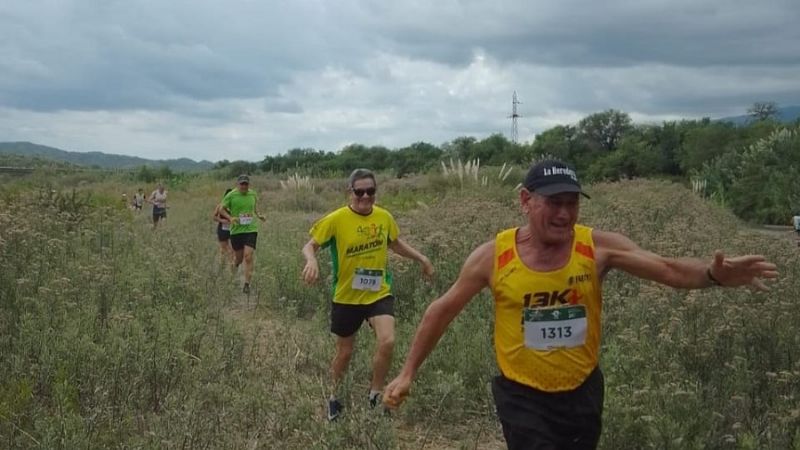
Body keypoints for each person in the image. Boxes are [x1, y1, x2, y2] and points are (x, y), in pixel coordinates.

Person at [383, 160, 778, 449]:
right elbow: (442, 309)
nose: (564, 213)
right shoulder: (494, 256)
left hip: (582, 390)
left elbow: (669, 270)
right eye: (553, 203)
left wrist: (712, 275)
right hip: (521, 393)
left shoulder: (597, 247)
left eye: (572, 203)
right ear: (525, 200)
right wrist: (407, 373)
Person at [301, 168, 434, 421]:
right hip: (347, 297)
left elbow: (394, 243)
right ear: (349, 192)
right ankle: (335, 397)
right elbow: (310, 245)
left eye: (370, 191)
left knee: (388, 341)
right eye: (359, 191)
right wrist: (312, 261)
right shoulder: (337, 219)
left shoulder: (384, 217)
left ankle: (375, 394)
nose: (365, 196)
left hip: (378, 293)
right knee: (345, 352)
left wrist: (422, 258)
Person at [217, 175, 265, 294]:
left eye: (246, 184)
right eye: (242, 184)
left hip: (251, 229)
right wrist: (230, 217)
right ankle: (233, 268)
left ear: (249, 184)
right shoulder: (231, 195)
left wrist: (259, 215)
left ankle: (247, 284)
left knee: (248, 256)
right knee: (238, 258)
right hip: (236, 231)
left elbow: (254, 209)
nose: (244, 186)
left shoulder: (253, 194)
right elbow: (221, 209)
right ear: (238, 184)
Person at [212, 188, 235, 266]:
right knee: (223, 249)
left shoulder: (236, 206)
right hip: (222, 230)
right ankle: (222, 265)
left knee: (231, 250)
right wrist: (222, 221)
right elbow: (214, 217)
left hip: (233, 230)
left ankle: (231, 266)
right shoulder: (220, 206)